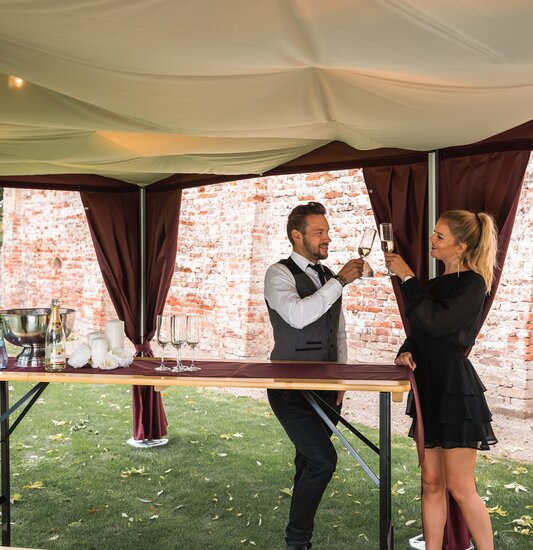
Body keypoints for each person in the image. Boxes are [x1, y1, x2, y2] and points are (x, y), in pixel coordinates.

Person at [384, 210, 498, 550]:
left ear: (460, 247)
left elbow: (436, 323)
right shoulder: (432, 285)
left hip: (456, 392)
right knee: (431, 482)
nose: (431, 240)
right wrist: (407, 350)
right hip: (429, 389)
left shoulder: (473, 284)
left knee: (461, 487)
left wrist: (406, 276)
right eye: (433, 233)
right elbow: (420, 333)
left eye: (440, 236)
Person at [264, 201, 364, 550]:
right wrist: (339, 282)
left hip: (326, 387)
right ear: (297, 235)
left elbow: (338, 331)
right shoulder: (278, 274)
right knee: (323, 460)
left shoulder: (325, 275)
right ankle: (297, 541)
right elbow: (296, 315)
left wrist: (341, 379)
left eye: (327, 231)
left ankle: (297, 541)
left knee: (308, 460)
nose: (328, 238)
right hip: (289, 388)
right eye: (319, 232)